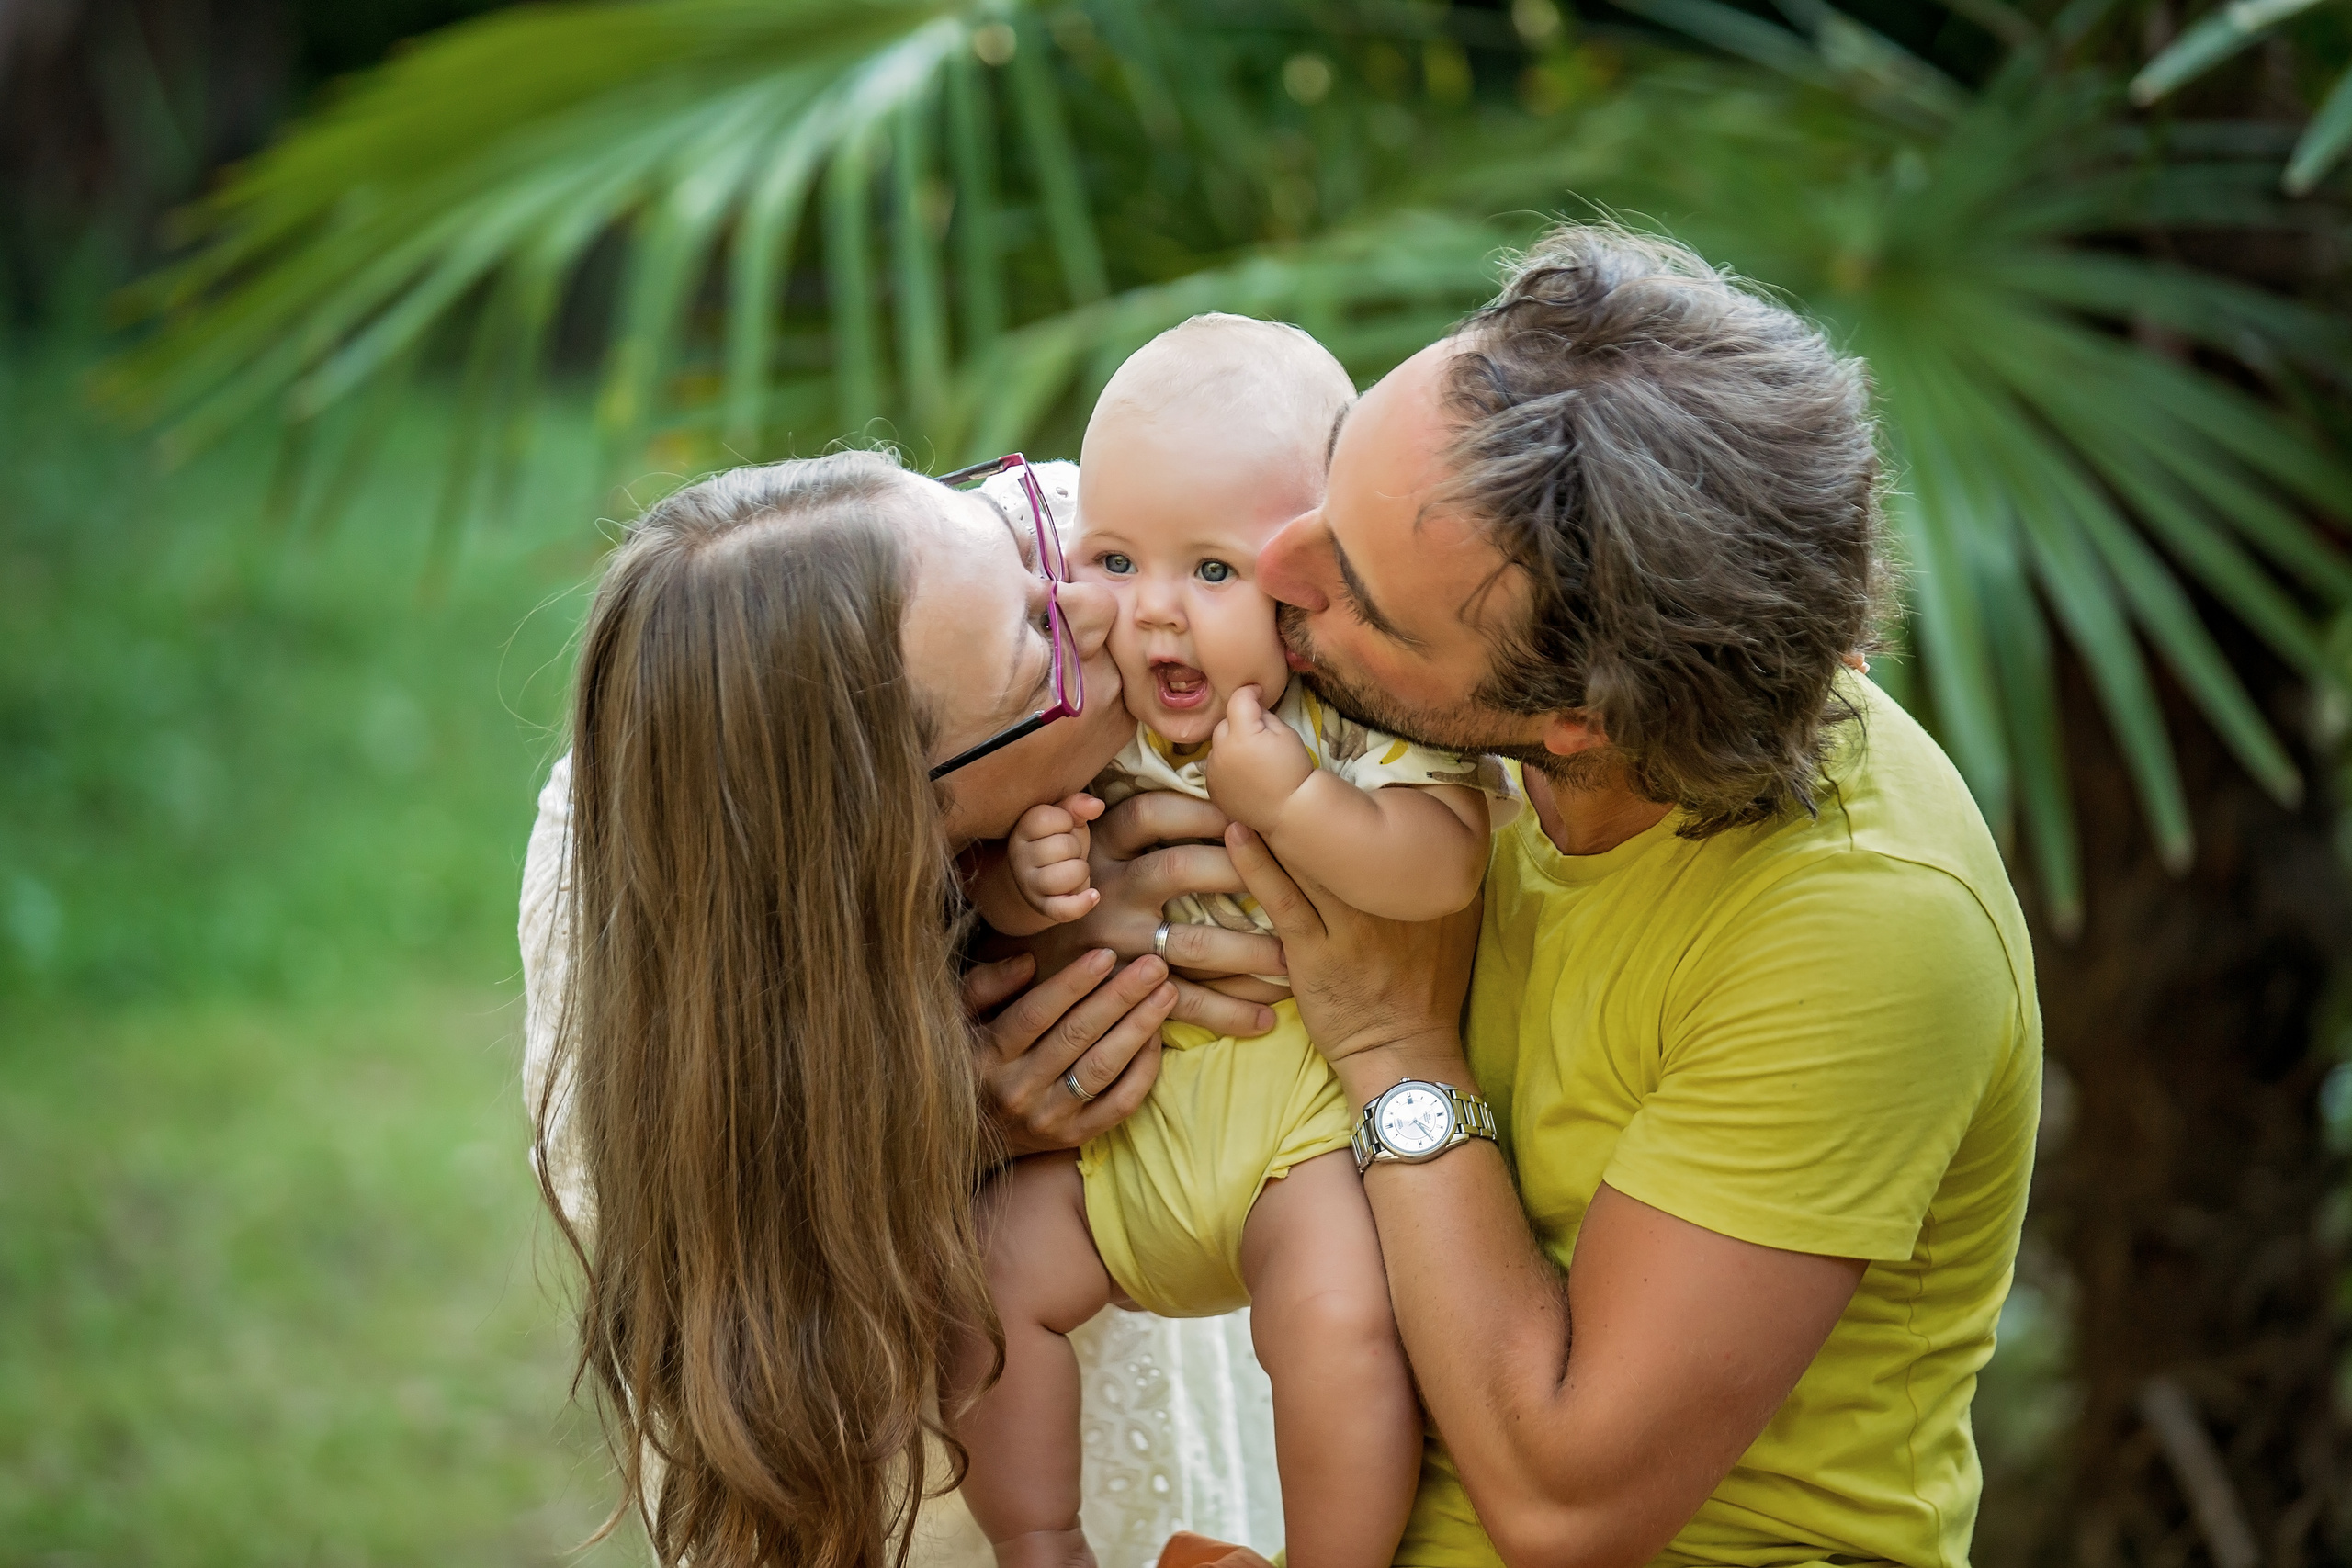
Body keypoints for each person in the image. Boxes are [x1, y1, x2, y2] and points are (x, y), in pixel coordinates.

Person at [1049, 225, 2041, 1568]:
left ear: (1577, 718)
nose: (1276, 567)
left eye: (1357, 596)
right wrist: (1068, 992)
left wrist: (1393, 1043)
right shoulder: (1402, 698)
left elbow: (1567, 1507)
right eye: (1329, 489)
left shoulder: (1861, 920)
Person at [515, 451, 1293, 1568]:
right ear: (905, 831)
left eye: (1022, 550)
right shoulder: (603, 881)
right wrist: (936, 1128)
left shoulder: (1107, 533)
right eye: (1037, 654)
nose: (1096, 608)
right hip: (913, 1427)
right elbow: (701, 1225)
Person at [955, 318, 1517, 1568]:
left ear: (1309, 579)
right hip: (1120, 1136)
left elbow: (1444, 862)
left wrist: (1297, 801)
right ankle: (1041, 1542)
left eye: (1211, 570)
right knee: (983, 1283)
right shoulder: (1097, 711)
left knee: (1340, 1322)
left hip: (1299, 1142)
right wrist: (1031, 880)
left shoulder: (1346, 717)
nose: (1152, 612)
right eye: (1114, 559)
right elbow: (989, 886)